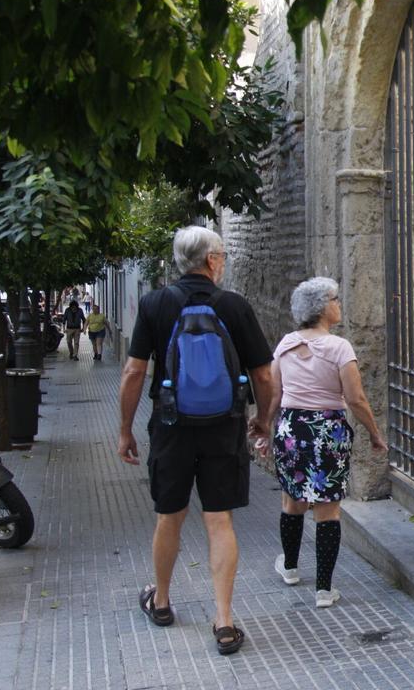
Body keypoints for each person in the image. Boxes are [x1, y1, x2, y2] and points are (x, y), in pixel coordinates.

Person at [117, 226, 275, 656]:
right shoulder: (235, 306)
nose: (222, 261)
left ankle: (163, 602)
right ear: (211, 261)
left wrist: (125, 429)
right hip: (223, 427)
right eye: (221, 255)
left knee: (169, 516)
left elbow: (133, 373)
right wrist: (262, 419)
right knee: (218, 520)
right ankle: (224, 620)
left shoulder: (154, 304)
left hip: (170, 427)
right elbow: (264, 374)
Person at [257, 277, 387, 608]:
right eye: (335, 299)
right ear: (321, 307)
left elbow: (274, 393)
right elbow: (355, 398)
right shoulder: (339, 348)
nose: (339, 304)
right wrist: (374, 433)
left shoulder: (285, 344)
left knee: (291, 501)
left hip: (291, 429)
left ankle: (289, 566)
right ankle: (324, 589)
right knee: (328, 509)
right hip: (327, 431)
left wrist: (263, 428)